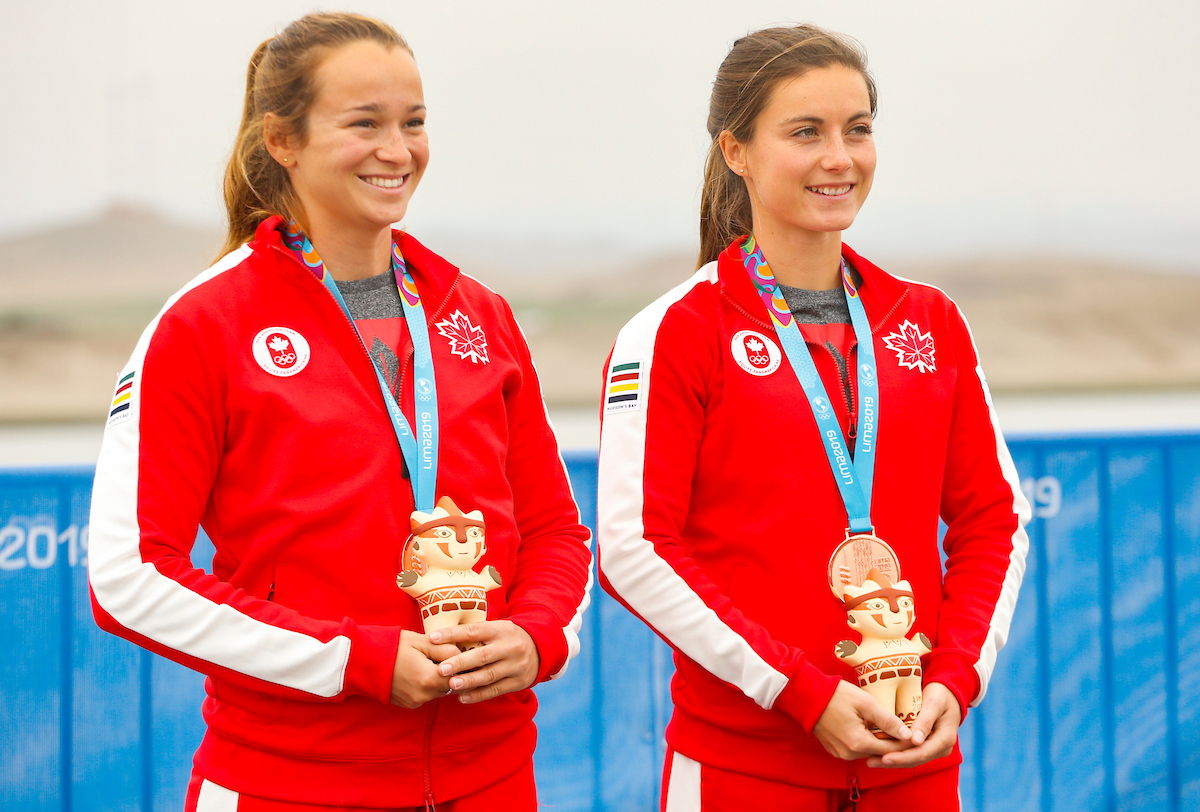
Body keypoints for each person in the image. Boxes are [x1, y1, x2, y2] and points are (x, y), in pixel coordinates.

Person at [88, 12, 592, 812]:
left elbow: (557, 531)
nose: (398, 150)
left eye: (414, 123)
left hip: (492, 780)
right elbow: (129, 578)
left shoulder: (480, 314)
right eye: (365, 123)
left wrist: (537, 635)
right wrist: (354, 660)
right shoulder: (202, 326)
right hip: (289, 785)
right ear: (282, 141)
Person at [597, 24, 1029, 812]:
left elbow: (993, 520)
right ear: (737, 151)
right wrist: (797, 691)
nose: (841, 158)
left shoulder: (928, 322)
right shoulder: (678, 331)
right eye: (806, 133)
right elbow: (635, 548)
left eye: (857, 130)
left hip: (914, 764)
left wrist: (957, 680)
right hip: (746, 771)